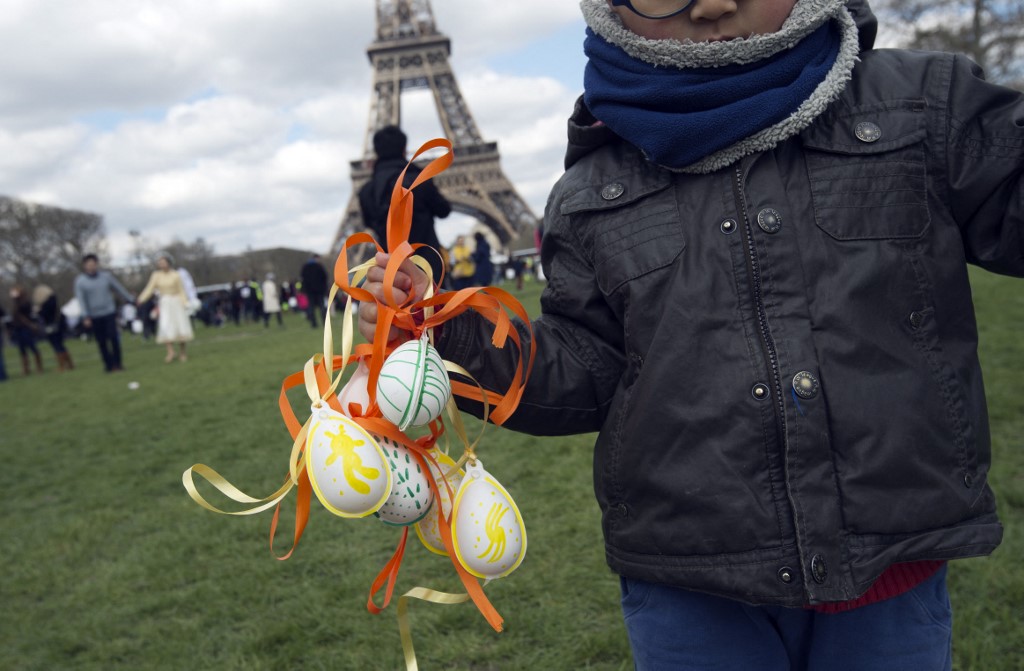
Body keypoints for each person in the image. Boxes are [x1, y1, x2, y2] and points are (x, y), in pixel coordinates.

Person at [357, 1, 1024, 669]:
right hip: (688, 589)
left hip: (887, 569)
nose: (711, 5)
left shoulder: (926, 107)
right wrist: (443, 327)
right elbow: (582, 364)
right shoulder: (588, 191)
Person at [359, 125, 452, 284]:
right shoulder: (419, 179)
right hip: (428, 263)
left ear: (376, 152)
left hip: (393, 270)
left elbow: (369, 222)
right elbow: (443, 210)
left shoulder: (366, 192)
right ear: (404, 149)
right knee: (436, 306)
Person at [75, 253, 134, 372]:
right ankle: (108, 365)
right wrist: (85, 316)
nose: (91, 266)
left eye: (93, 263)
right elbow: (81, 300)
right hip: (94, 315)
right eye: (88, 264)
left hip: (109, 312)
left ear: (96, 264)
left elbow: (118, 288)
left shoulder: (106, 277)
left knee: (114, 338)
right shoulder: (80, 282)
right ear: (85, 266)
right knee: (101, 342)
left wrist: (130, 299)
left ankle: (118, 364)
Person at [136, 253, 194, 363]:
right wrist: (141, 299)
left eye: (163, 262)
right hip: (165, 303)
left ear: (169, 262)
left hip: (176, 302)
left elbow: (181, 290)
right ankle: (170, 351)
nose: (161, 264)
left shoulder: (176, 275)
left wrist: (185, 303)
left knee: (180, 326)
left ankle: (182, 352)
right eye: (159, 262)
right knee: (166, 326)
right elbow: (150, 288)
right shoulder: (156, 275)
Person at [33, 285, 73, 371]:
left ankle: (62, 365)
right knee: (60, 345)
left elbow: (45, 314)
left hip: (53, 326)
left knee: (57, 345)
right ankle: (69, 364)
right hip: (58, 325)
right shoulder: (53, 299)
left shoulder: (47, 303)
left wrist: (39, 311)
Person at [8, 286, 43, 375]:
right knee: (22, 349)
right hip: (18, 329)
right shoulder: (15, 304)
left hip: (26, 328)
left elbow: (26, 313)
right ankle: (26, 368)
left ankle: (39, 366)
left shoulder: (25, 303)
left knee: (32, 346)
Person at [300, 254, 329, 328]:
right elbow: (325, 277)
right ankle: (325, 322)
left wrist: (304, 290)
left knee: (311, 307)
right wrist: (325, 289)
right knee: (322, 306)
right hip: (319, 290)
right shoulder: (319, 266)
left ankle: (313, 324)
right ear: (316, 259)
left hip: (309, 291)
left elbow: (302, 279)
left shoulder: (305, 267)